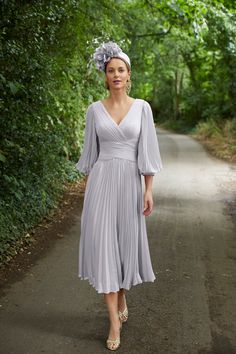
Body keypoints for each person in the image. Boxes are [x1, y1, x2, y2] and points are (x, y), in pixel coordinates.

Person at [75, 41, 163, 351]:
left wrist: (148, 189)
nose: (116, 75)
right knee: (104, 248)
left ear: (128, 75)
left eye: (121, 70)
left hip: (129, 184)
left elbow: (147, 151)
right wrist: (89, 195)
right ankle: (113, 320)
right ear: (105, 75)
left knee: (125, 247)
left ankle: (122, 292)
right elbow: (89, 156)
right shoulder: (93, 110)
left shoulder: (141, 108)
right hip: (101, 184)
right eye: (110, 70)